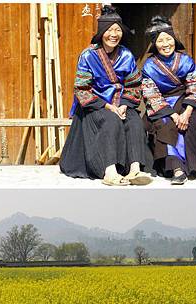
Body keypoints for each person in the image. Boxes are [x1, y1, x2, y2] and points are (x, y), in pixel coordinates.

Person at [60, 6, 154, 186]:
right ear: (102, 32)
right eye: (110, 30)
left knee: (134, 121)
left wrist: (125, 104)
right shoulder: (88, 56)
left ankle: (135, 169)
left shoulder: (126, 55)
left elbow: (134, 85)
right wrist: (108, 106)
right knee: (111, 121)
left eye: (118, 30)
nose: (114, 34)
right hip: (95, 104)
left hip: (121, 103)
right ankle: (109, 171)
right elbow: (82, 89)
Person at [141, 16, 196, 185]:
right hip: (162, 104)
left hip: (185, 99)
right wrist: (174, 115)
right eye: (160, 41)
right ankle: (176, 168)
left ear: (174, 39)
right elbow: (151, 94)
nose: (165, 44)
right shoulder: (149, 66)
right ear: (155, 44)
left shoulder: (186, 60)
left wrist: (187, 113)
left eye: (168, 39)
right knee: (166, 124)